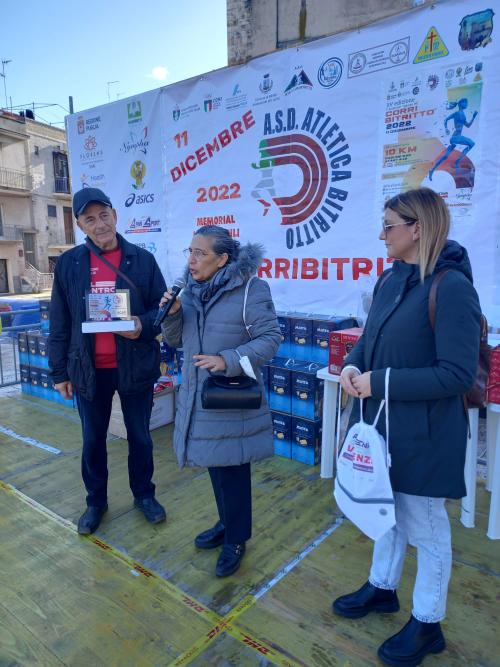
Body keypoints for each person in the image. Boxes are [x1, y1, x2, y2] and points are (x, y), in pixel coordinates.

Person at [333, 187, 481, 666]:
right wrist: (353, 366)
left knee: (426, 527)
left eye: (389, 226)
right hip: (383, 427)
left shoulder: (452, 287)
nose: (382, 235)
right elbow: (369, 338)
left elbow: (456, 374)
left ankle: (427, 622)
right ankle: (382, 588)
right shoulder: (390, 279)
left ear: (417, 228)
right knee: (385, 512)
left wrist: (379, 381)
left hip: (426, 433)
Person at [161, 225, 280, 577]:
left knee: (233, 469)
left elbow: (271, 338)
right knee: (216, 465)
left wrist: (226, 360)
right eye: (190, 251)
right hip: (198, 396)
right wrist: (172, 314)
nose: (192, 259)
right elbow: (177, 340)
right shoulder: (190, 291)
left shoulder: (251, 289)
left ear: (223, 258)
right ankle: (226, 523)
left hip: (229, 396)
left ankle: (237, 539)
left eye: (200, 253)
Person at [49, 187, 167, 535]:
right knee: (92, 440)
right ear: (80, 225)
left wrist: (141, 325)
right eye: (90, 219)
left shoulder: (142, 260)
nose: (99, 224)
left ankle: (144, 495)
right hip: (88, 370)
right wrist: (59, 373)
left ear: (114, 215)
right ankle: (95, 502)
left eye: (104, 215)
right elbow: (59, 322)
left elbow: (161, 311)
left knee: (140, 437)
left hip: (135, 365)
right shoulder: (69, 264)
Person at [428, 98, 478, 180]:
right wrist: (446, 129)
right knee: (471, 143)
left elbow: (468, 125)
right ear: (460, 104)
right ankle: (457, 162)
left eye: (467, 102)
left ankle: (432, 170)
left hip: (455, 138)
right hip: (455, 137)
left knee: (445, 156)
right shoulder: (457, 113)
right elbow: (446, 119)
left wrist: (473, 117)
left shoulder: (463, 115)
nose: (466, 104)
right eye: (465, 102)